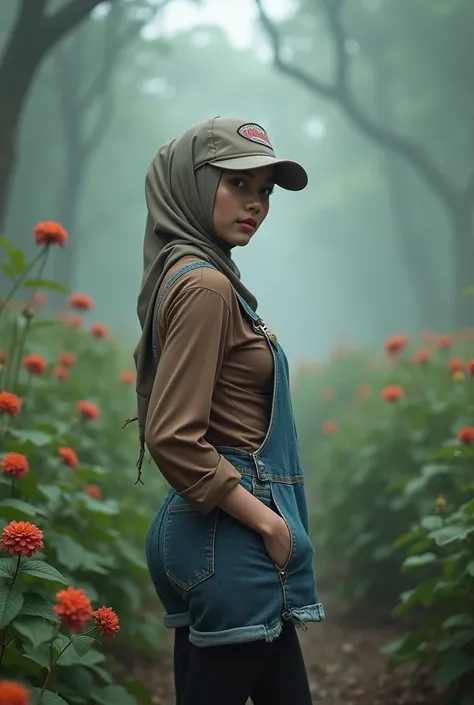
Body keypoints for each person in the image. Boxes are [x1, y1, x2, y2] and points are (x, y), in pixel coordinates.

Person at [133, 117, 324, 705]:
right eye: (238, 183)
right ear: (192, 184)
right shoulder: (206, 287)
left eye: (264, 190)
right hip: (234, 536)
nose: (257, 204)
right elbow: (173, 436)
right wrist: (269, 523)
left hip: (211, 536)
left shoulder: (190, 274)